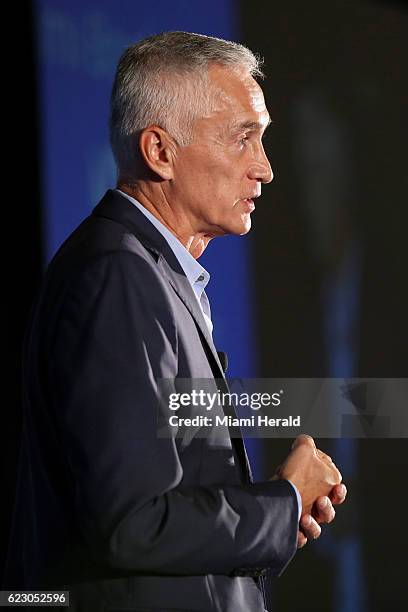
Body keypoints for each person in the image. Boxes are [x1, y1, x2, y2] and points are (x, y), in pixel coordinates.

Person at [5, 32, 346, 612]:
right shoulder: (115, 274)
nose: (264, 169)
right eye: (244, 139)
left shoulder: (145, 271)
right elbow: (132, 523)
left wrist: (275, 518)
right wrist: (282, 503)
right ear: (160, 152)